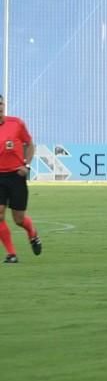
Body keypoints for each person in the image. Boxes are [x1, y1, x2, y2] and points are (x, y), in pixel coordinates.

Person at [0, 94, 41, 263]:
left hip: (16, 176)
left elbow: (30, 144)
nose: (0, 107)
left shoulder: (16, 123)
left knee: (19, 219)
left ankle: (32, 232)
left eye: (1, 104)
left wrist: (27, 165)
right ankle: (11, 254)